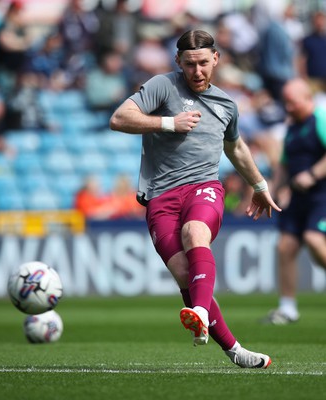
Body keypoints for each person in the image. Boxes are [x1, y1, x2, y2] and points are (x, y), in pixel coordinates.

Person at [110, 29, 281, 368]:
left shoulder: (226, 105)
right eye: (189, 64)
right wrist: (169, 123)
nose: (197, 71)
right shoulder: (162, 86)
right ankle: (234, 350)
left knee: (194, 232)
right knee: (185, 277)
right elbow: (119, 119)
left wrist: (260, 186)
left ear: (216, 59)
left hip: (203, 187)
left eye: (203, 63)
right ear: (178, 62)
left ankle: (200, 311)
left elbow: (235, 148)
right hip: (160, 196)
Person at [263, 78, 326, 325]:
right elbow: (284, 164)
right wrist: (275, 190)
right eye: (286, 103)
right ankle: (287, 309)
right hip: (298, 199)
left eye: (292, 102)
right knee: (285, 248)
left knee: (313, 239)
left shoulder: (319, 120)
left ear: (307, 99)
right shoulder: (291, 127)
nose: (288, 107)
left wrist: (313, 174)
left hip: (322, 195)